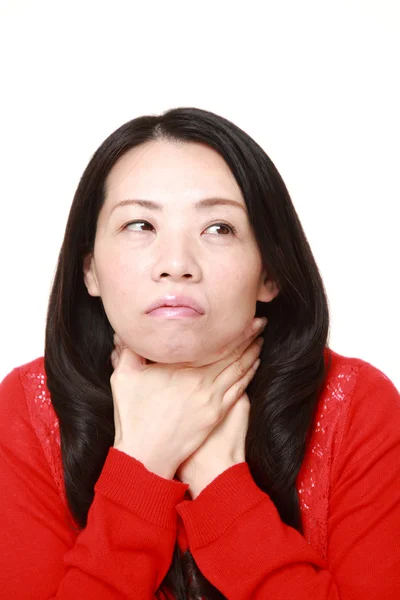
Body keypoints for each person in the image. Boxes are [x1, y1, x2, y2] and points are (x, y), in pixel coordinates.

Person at [0, 107, 399, 600]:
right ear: (91, 271)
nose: (176, 264)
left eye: (219, 228)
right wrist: (142, 461)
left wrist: (219, 479)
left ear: (270, 272)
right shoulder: (29, 408)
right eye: (140, 225)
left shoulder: (355, 404)